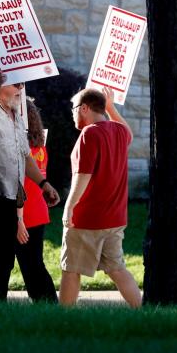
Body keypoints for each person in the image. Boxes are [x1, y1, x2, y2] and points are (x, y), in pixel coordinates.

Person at [0, 70, 59, 301]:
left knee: (4, 256)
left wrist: (43, 183)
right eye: (15, 83)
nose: (21, 88)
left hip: (8, 194)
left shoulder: (15, 116)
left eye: (23, 83)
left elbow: (25, 156)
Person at [59, 86, 141, 308]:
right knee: (117, 268)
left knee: (71, 269)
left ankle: (63, 319)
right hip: (114, 218)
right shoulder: (119, 131)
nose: (73, 114)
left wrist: (69, 207)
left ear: (84, 108)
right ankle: (141, 311)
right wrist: (111, 108)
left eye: (74, 109)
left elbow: (82, 176)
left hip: (87, 219)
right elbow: (129, 133)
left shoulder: (90, 133)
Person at [14, 99, 58, 303]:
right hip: (38, 209)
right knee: (34, 263)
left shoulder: (20, 146)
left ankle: (46, 302)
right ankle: (45, 302)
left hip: (25, 210)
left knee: (30, 265)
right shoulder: (39, 146)